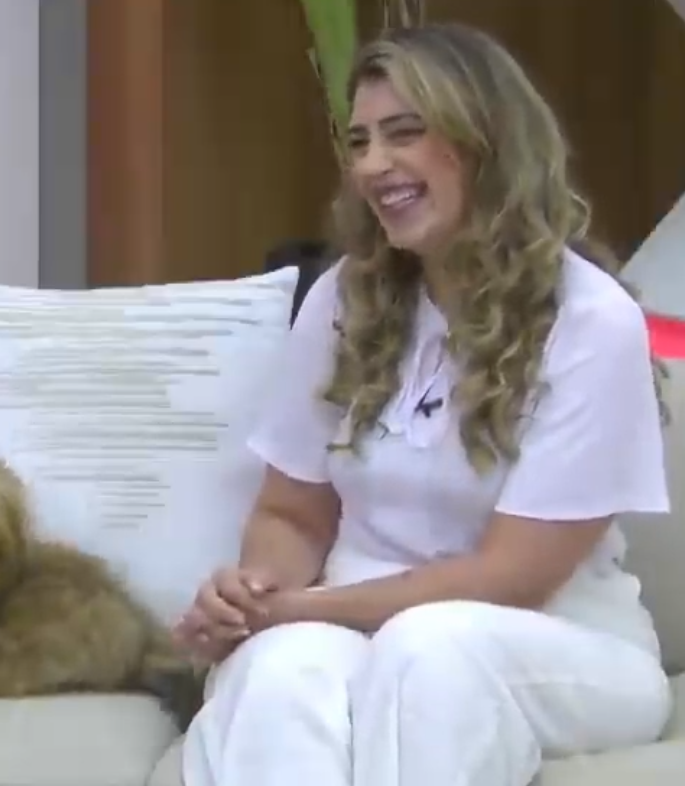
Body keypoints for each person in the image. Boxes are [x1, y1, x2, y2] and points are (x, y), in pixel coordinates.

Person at [175, 23, 672, 786]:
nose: (374, 165)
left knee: (426, 651)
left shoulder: (589, 321)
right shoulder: (345, 298)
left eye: (404, 133)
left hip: (556, 639)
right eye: (361, 141)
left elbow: (513, 578)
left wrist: (303, 608)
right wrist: (258, 595)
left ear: (487, 143)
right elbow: (293, 514)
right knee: (279, 671)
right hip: (355, 620)